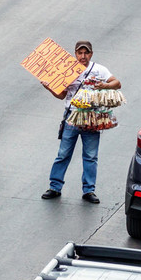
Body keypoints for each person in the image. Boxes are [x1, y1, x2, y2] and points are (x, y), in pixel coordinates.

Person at [41, 40, 120, 204]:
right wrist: (49, 87)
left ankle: (89, 190)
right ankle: (55, 187)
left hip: (92, 118)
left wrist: (103, 85)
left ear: (91, 54)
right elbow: (62, 95)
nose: (83, 56)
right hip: (72, 117)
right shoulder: (68, 71)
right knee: (63, 154)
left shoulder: (99, 69)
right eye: (80, 53)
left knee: (91, 156)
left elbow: (117, 83)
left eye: (86, 53)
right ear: (75, 54)